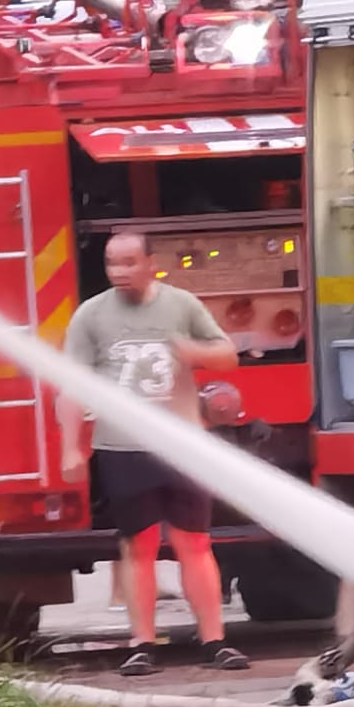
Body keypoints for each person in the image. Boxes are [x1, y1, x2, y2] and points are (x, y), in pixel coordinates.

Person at [58, 231, 249, 676]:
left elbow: (228, 356)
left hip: (182, 445)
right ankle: (142, 644)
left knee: (195, 543)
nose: (119, 272)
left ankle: (214, 640)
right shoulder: (91, 315)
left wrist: (192, 351)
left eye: (128, 262)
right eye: (111, 264)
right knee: (138, 546)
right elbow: (70, 384)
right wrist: (72, 446)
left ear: (150, 263)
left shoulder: (181, 305)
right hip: (122, 448)